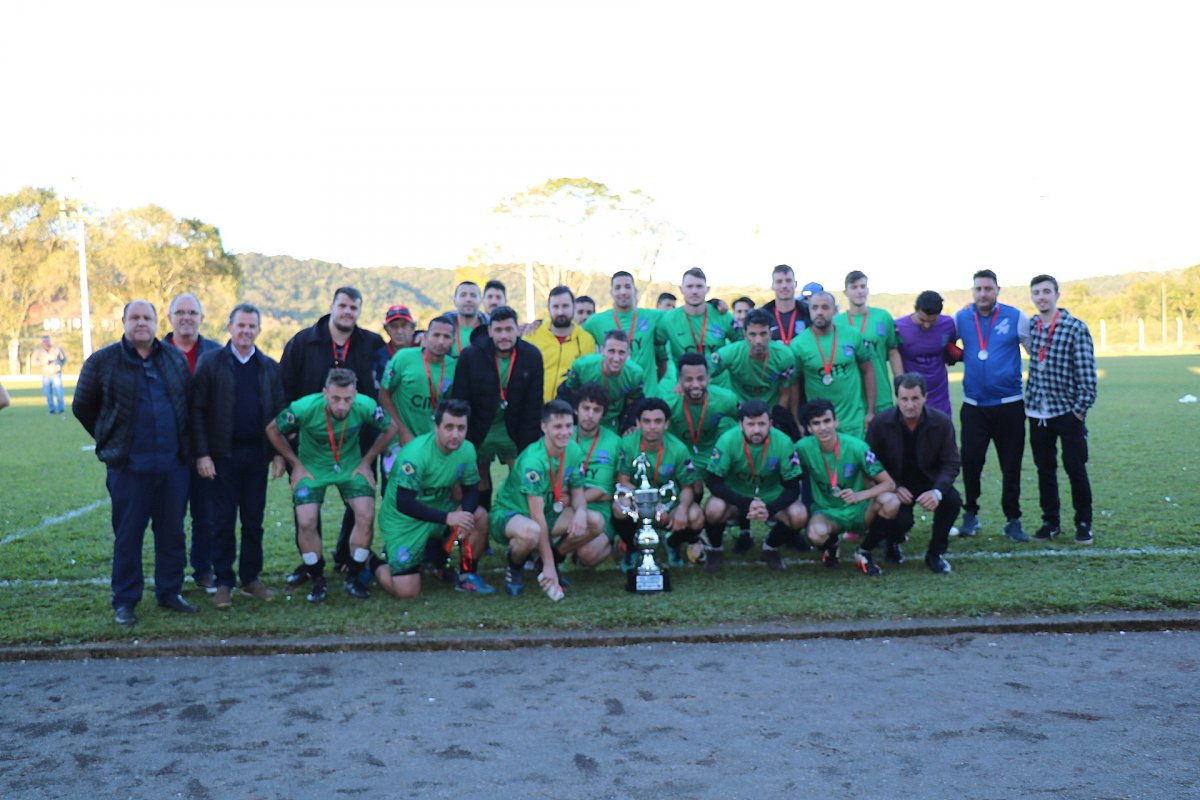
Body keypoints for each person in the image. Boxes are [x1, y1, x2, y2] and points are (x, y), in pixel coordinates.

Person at [73, 300, 196, 624]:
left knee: (172, 534)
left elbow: (185, 403)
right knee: (128, 536)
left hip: (172, 468)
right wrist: (109, 437)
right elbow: (82, 406)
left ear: (157, 323)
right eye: (135, 317)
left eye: (147, 317)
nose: (141, 323)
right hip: (129, 469)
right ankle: (125, 601)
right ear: (124, 321)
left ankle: (170, 592)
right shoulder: (102, 361)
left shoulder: (173, 358)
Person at [279, 287, 386, 587]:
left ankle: (347, 560)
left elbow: (383, 386)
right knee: (306, 512)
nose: (347, 312)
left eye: (354, 307)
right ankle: (310, 564)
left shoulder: (372, 343)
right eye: (343, 305)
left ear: (359, 311)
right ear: (332, 306)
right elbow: (283, 388)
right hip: (309, 444)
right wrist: (287, 441)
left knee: (360, 506)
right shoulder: (303, 341)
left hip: (356, 442)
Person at [266, 368, 398, 602]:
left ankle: (354, 575)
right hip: (312, 468)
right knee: (306, 521)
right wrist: (295, 463)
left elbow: (391, 428)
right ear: (325, 393)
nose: (342, 406)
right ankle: (317, 579)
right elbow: (273, 430)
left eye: (347, 399)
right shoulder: (305, 407)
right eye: (335, 398)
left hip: (350, 466)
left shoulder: (365, 405)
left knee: (366, 515)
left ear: (355, 395)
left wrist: (367, 461)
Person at [190, 303, 286, 607]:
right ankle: (223, 581)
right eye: (240, 325)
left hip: (257, 456)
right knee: (221, 521)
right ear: (229, 328)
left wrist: (279, 454)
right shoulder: (210, 362)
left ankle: (250, 578)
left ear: (259, 330)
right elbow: (197, 412)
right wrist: (202, 454)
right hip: (222, 457)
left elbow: (280, 414)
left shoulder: (269, 367)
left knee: (254, 521)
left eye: (251, 326)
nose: (246, 331)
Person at [374, 398, 493, 597]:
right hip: (404, 519)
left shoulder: (467, 450)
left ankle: (467, 574)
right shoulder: (415, 455)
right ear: (436, 427)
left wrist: (465, 513)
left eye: (461, 428)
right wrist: (448, 518)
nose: (455, 434)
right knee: (406, 593)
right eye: (449, 427)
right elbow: (404, 503)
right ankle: (374, 563)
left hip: (439, 509)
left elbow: (471, 489)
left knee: (479, 515)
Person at [489, 400, 607, 598]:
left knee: (595, 521)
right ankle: (515, 566)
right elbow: (536, 516)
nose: (565, 432)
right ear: (544, 427)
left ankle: (545, 561)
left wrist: (580, 512)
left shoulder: (573, 450)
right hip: (512, 515)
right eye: (558, 427)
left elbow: (578, 494)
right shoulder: (533, 462)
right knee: (531, 531)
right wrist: (549, 566)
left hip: (549, 512)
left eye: (569, 426)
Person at [954, 269, 1032, 542]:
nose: (983, 294)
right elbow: (946, 346)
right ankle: (971, 514)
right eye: (978, 289)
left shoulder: (1016, 317)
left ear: (998, 290)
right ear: (973, 291)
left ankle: (1013, 519)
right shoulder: (961, 318)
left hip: (1009, 404)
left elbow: (1037, 349)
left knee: (1011, 464)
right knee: (971, 462)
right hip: (974, 406)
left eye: (988, 288)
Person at [863, 373, 962, 574]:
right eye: (904, 399)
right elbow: (871, 463)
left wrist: (936, 492)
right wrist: (894, 487)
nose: (910, 405)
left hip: (929, 482)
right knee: (901, 518)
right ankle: (892, 543)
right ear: (897, 398)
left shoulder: (941, 422)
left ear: (925, 397)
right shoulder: (881, 423)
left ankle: (935, 554)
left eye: (915, 398)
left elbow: (951, 462)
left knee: (952, 501)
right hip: (896, 483)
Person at [1026, 274, 1098, 544]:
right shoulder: (1031, 326)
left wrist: (1079, 411)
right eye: (1036, 292)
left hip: (1067, 412)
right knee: (1045, 470)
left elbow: (1087, 375)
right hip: (1037, 411)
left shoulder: (1074, 327)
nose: (1041, 297)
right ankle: (1051, 522)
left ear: (1057, 294)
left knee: (1075, 468)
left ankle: (1083, 522)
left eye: (1046, 291)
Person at [450, 306, 544, 510]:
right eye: (499, 330)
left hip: (514, 428)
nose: (504, 336)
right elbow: (461, 399)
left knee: (521, 474)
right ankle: (483, 520)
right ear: (490, 331)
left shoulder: (532, 356)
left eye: (509, 330)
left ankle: (517, 515)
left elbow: (533, 405)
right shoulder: (470, 356)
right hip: (481, 426)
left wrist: (529, 444)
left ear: (517, 330)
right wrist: (465, 438)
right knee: (479, 476)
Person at [792, 399, 899, 572]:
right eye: (816, 423)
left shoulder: (857, 447)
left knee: (891, 501)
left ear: (836, 422)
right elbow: (786, 473)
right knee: (814, 534)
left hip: (860, 509)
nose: (823, 427)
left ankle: (864, 551)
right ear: (809, 428)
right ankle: (833, 545)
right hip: (828, 511)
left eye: (827, 421)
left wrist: (859, 496)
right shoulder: (802, 448)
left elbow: (889, 484)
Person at [703, 401, 807, 573]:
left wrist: (771, 509)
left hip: (770, 495)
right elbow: (714, 482)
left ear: (770, 424)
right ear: (741, 424)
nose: (756, 430)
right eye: (751, 424)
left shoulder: (783, 442)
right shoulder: (727, 440)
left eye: (762, 424)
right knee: (713, 509)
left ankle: (770, 547)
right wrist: (745, 503)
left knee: (799, 515)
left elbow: (793, 487)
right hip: (736, 496)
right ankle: (716, 549)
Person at [163, 293, 222, 592]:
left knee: (205, 515)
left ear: (201, 317)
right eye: (180, 312)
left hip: (205, 450)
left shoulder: (215, 352)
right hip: (167, 452)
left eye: (192, 312)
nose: (186, 317)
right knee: (171, 519)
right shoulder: (156, 351)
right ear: (170, 317)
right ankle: (171, 577)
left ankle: (203, 570)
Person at [613, 397, 702, 569]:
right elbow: (622, 481)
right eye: (647, 421)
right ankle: (632, 548)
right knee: (619, 507)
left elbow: (687, 487)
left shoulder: (678, 449)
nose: (652, 426)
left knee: (696, 516)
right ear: (638, 423)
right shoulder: (627, 444)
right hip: (640, 502)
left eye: (657, 421)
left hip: (669, 504)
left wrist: (682, 510)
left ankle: (672, 543)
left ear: (666, 424)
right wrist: (652, 503)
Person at [789, 292, 876, 439]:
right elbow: (794, 385)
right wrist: (797, 420)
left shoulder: (852, 335)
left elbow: (867, 370)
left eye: (825, 307)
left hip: (853, 419)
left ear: (834, 310)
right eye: (814, 308)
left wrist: (870, 411)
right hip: (819, 422)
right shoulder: (798, 344)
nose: (819, 312)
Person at [709, 308, 797, 433]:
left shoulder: (784, 356)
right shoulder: (730, 353)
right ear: (745, 335)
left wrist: (775, 419)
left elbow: (785, 392)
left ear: (770, 335)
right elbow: (702, 372)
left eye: (763, 334)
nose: (758, 341)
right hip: (737, 412)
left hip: (769, 414)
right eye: (752, 334)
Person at [655, 268, 741, 390]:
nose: (694, 291)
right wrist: (662, 364)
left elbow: (742, 345)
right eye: (689, 286)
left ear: (707, 289)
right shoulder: (668, 320)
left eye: (699, 286)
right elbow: (656, 344)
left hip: (719, 388)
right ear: (681, 289)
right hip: (685, 389)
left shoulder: (723, 316)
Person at [379, 316, 457, 447]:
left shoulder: (453, 367)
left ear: (452, 341)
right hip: (400, 441)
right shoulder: (403, 357)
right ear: (425, 337)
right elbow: (383, 394)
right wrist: (402, 431)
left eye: (446, 337)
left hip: (432, 442)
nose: (441, 341)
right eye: (436, 335)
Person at [583, 271, 663, 399]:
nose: (623, 292)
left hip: (647, 397)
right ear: (611, 292)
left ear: (635, 290)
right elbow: (572, 330)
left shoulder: (653, 317)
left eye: (627, 287)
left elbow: (680, 318)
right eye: (618, 288)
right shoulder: (596, 322)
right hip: (614, 398)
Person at [836, 271, 903, 414]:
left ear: (867, 290)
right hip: (851, 399)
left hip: (881, 396)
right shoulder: (836, 322)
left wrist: (901, 386)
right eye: (854, 287)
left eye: (862, 286)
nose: (859, 291)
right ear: (845, 292)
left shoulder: (883, 317)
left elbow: (893, 352)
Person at [571, 383, 623, 565]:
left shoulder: (614, 442)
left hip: (599, 508)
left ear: (603, 414)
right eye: (586, 408)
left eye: (597, 410)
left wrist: (568, 500)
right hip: (564, 504)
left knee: (587, 555)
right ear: (576, 409)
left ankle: (613, 542)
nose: (590, 415)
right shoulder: (563, 435)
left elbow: (600, 490)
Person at [557, 330, 643, 432]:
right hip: (583, 420)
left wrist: (629, 426)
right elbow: (568, 394)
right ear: (602, 350)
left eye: (621, 353)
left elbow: (632, 405)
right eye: (611, 351)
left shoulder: (635, 374)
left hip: (613, 423)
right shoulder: (582, 367)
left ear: (628, 354)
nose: (616, 358)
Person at [527, 285, 597, 403]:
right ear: (548, 308)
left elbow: (588, 380)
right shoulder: (533, 334)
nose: (560, 312)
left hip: (569, 410)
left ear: (573, 307)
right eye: (555, 306)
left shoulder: (586, 340)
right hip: (536, 407)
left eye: (565, 306)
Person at [895, 290, 957, 417]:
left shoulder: (948, 324)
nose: (927, 325)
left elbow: (950, 349)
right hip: (912, 396)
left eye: (932, 321)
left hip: (940, 397)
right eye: (922, 320)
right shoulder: (899, 327)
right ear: (915, 310)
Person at [761, 265, 811, 346]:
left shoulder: (809, 312)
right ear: (772, 286)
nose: (784, 285)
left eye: (788, 280)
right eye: (779, 281)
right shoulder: (762, 314)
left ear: (795, 284)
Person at [372, 305, 418, 385]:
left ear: (412, 328)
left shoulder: (423, 350)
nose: (399, 331)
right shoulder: (379, 357)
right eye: (394, 326)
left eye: (404, 325)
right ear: (387, 330)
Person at [444, 281, 490, 357]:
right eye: (463, 295)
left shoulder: (488, 329)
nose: (468, 299)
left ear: (481, 301)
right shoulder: (444, 328)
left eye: (473, 295)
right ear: (455, 301)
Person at [32, 334, 67, 415]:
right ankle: (52, 410)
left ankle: (61, 410)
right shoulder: (38, 351)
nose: (46, 342)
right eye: (44, 341)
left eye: (47, 340)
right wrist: (43, 363)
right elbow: (33, 362)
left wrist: (59, 364)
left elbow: (64, 359)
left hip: (56, 374)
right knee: (48, 393)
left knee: (59, 392)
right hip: (45, 375)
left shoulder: (57, 349)